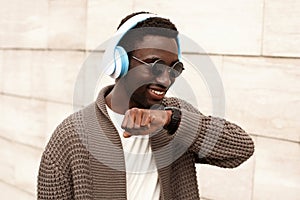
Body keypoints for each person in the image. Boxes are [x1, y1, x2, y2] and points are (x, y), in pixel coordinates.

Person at [37, 11, 254, 200]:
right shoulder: (71, 135)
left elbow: (242, 149)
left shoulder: (175, 116)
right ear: (119, 62)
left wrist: (171, 120)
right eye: (155, 65)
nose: (166, 80)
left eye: (174, 68)